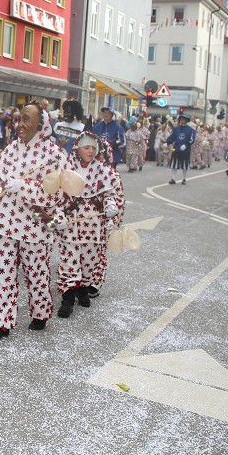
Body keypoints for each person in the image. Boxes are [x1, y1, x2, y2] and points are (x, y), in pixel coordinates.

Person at [0, 102, 73, 340]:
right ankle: (2, 319)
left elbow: (60, 193)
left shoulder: (54, 155)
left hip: (35, 225)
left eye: (28, 119)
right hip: (5, 222)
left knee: (37, 272)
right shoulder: (10, 150)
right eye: (20, 119)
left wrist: (25, 188)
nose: (21, 125)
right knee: (2, 272)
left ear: (41, 124)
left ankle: (40, 313)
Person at [56, 132, 125, 317]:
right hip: (72, 223)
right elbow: (58, 195)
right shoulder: (68, 169)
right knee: (69, 260)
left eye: (93, 148)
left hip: (94, 225)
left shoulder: (104, 171)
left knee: (89, 260)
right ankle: (68, 297)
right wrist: (59, 215)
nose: (91, 151)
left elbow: (110, 194)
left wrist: (111, 206)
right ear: (78, 148)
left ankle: (83, 287)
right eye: (87, 147)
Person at [166, 114, 196, 184]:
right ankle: (173, 178)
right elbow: (172, 137)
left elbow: (192, 139)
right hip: (176, 148)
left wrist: (186, 145)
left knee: (185, 164)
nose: (182, 121)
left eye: (183, 119)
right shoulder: (176, 129)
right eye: (181, 119)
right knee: (174, 164)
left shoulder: (191, 130)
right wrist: (167, 142)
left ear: (186, 121)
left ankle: (184, 179)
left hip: (185, 149)